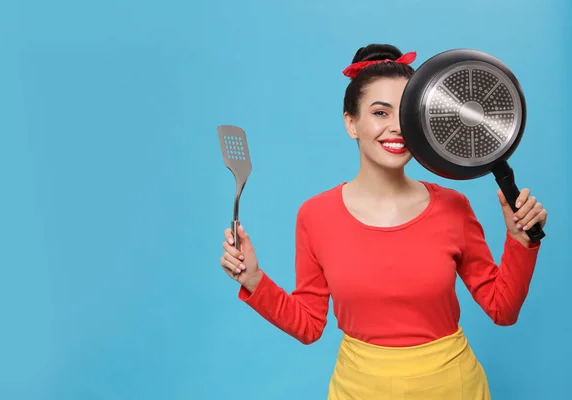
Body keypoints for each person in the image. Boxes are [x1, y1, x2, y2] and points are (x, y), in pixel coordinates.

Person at [219, 44, 547, 399]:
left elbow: (502, 309)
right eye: (380, 112)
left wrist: (520, 242)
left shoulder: (454, 206)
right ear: (351, 123)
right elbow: (309, 325)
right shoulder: (315, 215)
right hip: (359, 389)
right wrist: (253, 280)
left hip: (453, 387)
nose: (396, 128)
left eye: (406, 114)